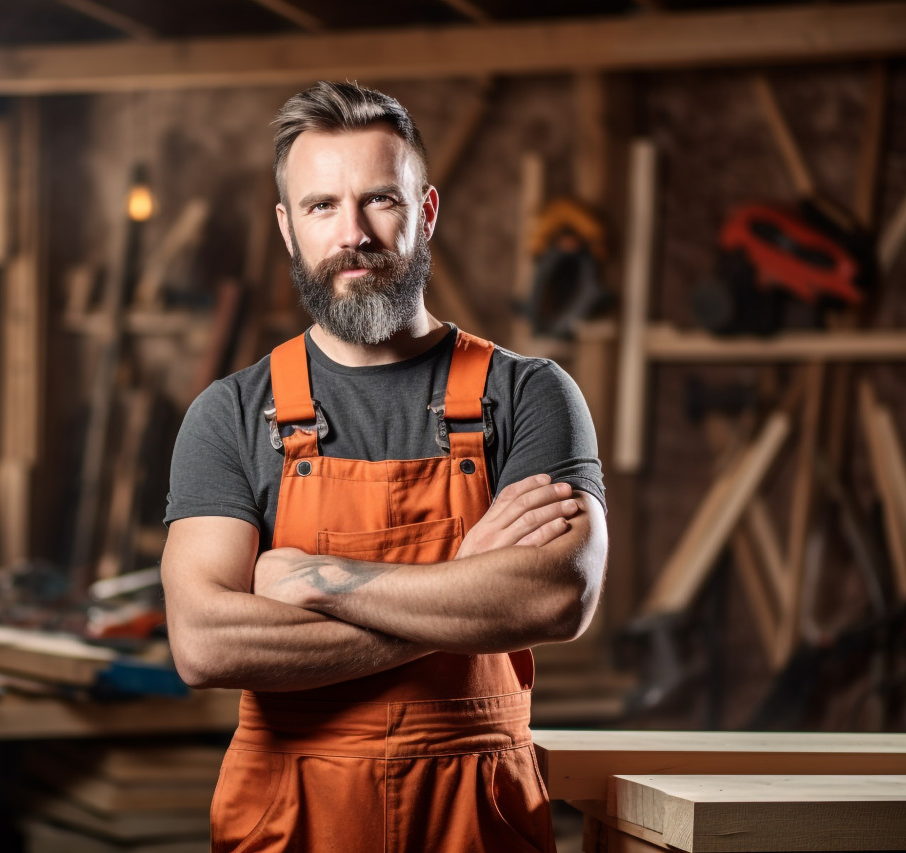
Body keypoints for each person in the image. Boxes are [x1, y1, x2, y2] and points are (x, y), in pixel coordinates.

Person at [162, 80, 607, 853]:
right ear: (287, 227)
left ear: (426, 211)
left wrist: (312, 578)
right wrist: (464, 588)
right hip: (292, 817)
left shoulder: (529, 395)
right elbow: (205, 642)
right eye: (321, 206)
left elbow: (560, 594)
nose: (353, 233)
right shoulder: (230, 415)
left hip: (477, 817)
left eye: (379, 201)